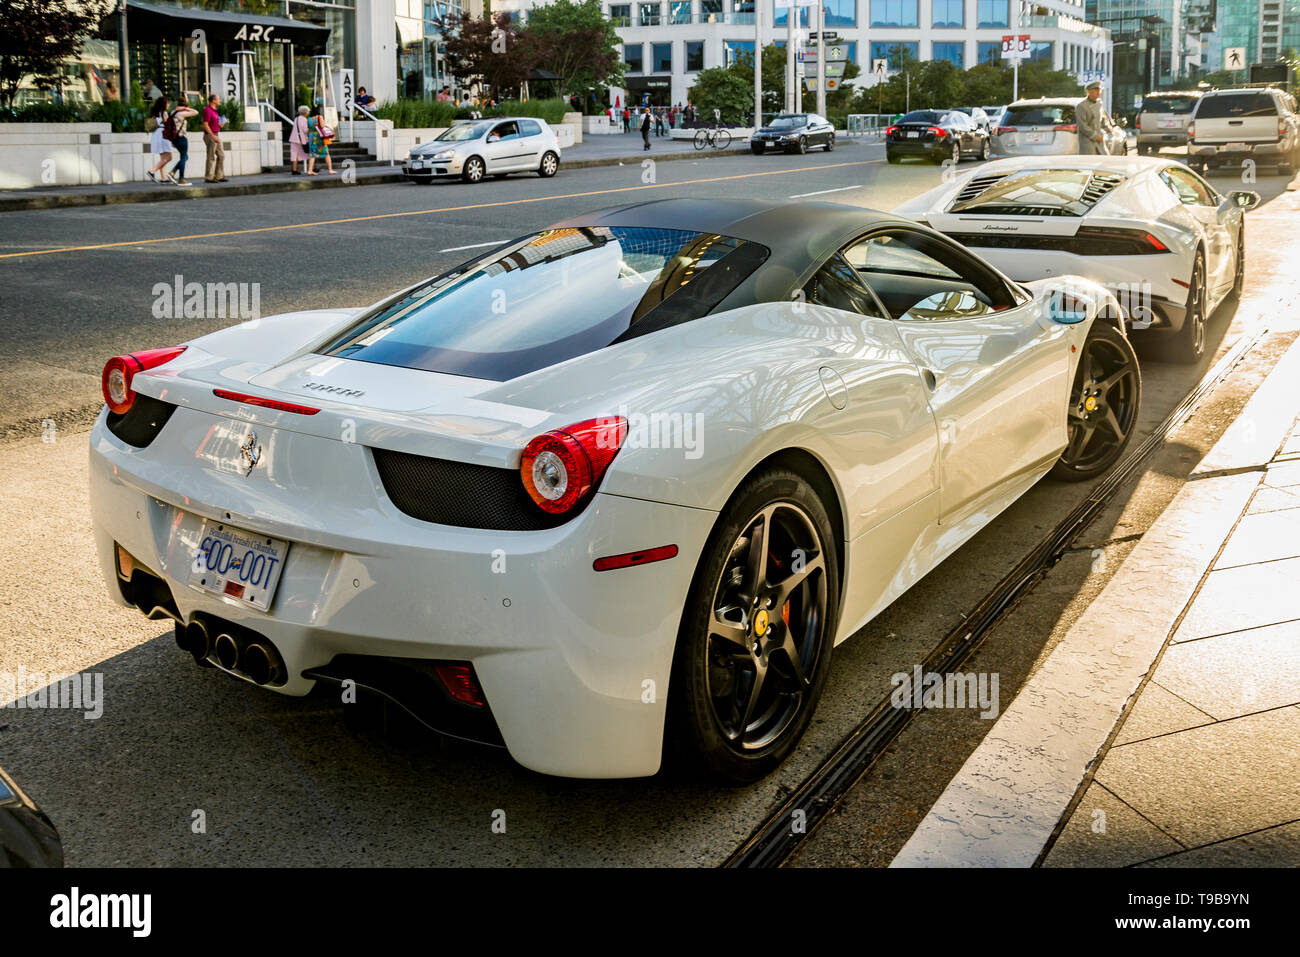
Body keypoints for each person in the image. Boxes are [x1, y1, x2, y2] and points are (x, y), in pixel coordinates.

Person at [165, 99, 198, 186]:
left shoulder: (173, 112)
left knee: (185, 157)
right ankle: (181, 179)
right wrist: (187, 109)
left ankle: (172, 172)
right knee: (183, 157)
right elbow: (196, 112)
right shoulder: (181, 113)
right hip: (181, 138)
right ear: (185, 106)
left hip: (174, 139)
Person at [1077, 80, 1111, 155]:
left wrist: (1109, 129)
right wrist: (1095, 136)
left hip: (1100, 141)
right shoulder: (1082, 106)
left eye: (1099, 90)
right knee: (1089, 164)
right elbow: (1082, 126)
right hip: (1088, 143)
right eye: (1095, 90)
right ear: (1089, 92)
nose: (1098, 92)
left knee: (1104, 162)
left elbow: (1102, 120)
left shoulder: (1099, 103)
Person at [146, 98, 175, 184]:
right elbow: (166, 122)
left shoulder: (155, 113)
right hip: (163, 135)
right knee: (169, 157)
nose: (168, 104)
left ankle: (163, 178)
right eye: (167, 103)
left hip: (156, 134)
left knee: (163, 158)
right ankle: (152, 171)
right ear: (164, 104)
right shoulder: (164, 113)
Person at [202, 93, 226, 183]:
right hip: (210, 135)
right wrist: (212, 136)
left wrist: (221, 123)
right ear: (213, 100)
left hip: (216, 134)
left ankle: (219, 176)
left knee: (221, 155)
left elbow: (215, 123)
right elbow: (205, 124)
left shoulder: (215, 110)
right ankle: (209, 177)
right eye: (218, 99)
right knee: (211, 156)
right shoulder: (207, 110)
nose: (219, 101)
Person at [306, 106, 335, 175]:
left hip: (311, 137)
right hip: (319, 137)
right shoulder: (319, 117)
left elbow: (308, 128)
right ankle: (330, 170)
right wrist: (325, 124)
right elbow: (322, 126)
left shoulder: (308, 119)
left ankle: (310, 170)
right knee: (326, 153)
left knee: (312, 154)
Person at [288, 105, 311, 175]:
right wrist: (311, 129)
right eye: (307, 112)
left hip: (293, 138)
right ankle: (311, 168)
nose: (308, 114)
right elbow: (305, 130)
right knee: (309, 153)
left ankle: (294, 170)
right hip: (301, 140)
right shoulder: (304, 119)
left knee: (294, 154)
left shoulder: (296, 118)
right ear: (305, 113)